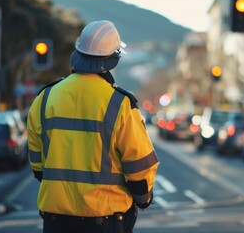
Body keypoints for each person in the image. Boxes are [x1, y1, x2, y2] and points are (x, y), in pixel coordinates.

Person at [27, 20, 159, 233]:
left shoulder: (45, 98)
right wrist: (143, 199)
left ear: (78, 53)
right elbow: (140, 168)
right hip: (105, 221)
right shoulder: (119, 103)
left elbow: (37, 165)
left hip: (55, 220)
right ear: (113, 58)